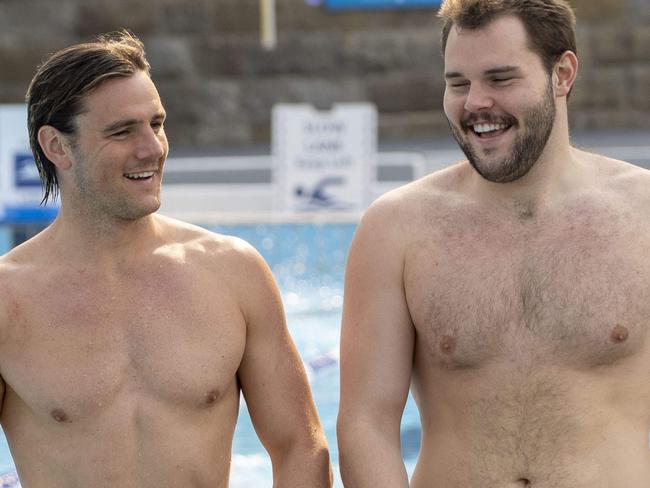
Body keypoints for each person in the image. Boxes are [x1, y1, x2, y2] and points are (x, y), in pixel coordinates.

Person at [337, 0, 650, 486]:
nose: (475, 102)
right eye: (458, 83)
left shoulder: (643, 215)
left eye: (500, 79)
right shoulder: (396, 229)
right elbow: (366, 423)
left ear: (562, 74)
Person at [0, 31, 332, 487]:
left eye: (156, 124)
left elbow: (301, 445)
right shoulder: (8, 299)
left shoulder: (231, 272)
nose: (152, 148)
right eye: (122, 131)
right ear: (57, 146)